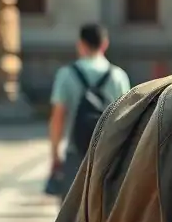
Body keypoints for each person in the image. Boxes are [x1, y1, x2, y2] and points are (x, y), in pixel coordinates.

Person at [48, 23, 131, 199]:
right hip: (108, 152)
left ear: (80, 44)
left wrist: (55, 153)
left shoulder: (66, 74)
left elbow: (58, 117)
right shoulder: (118, 76)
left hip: (75, 151)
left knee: (71, 213)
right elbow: (127, 118)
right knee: (103, 210)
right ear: (105, 44)